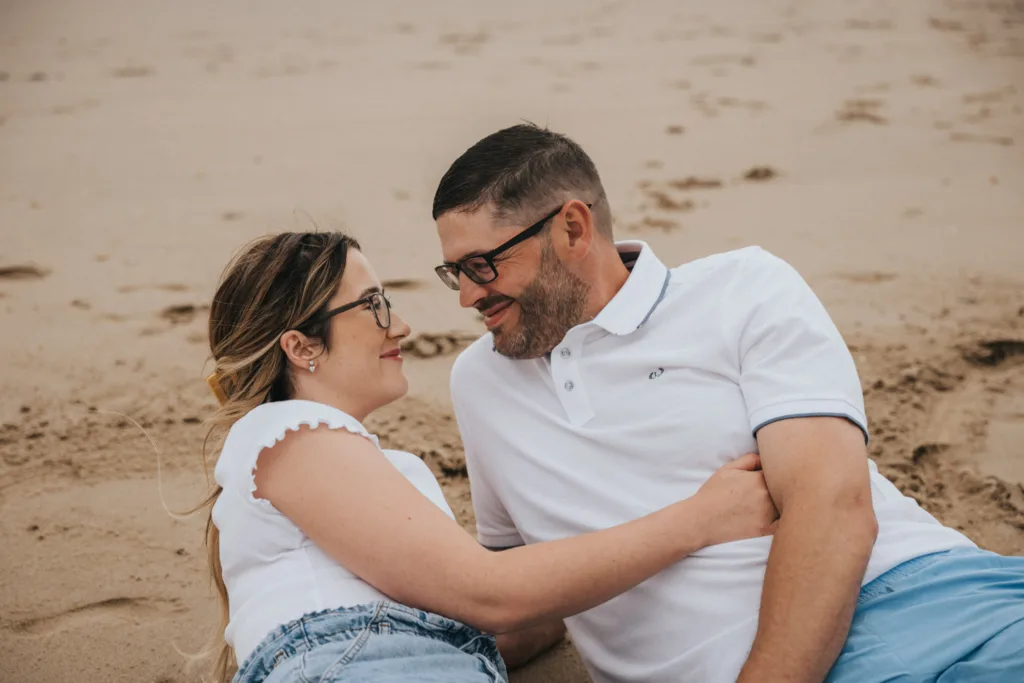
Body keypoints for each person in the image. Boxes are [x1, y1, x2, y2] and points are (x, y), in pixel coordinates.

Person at [432, 124, 1024, 683]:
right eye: (452, 272)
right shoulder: (481, 385)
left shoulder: (743, 289)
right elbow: (532, 602)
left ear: (573, 229)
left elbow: (834, 507)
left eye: (482, 266)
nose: (466, 297)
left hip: (925, 600)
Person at [198, 231, 778, 683]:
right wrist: (700, 520)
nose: (400, 325)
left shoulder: (340, 464)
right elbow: (489, 592)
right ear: (301, 346)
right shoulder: (286, 433)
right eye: (372, 305)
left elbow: (487, 617)